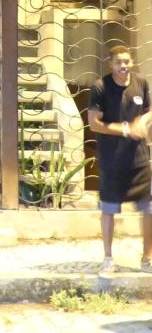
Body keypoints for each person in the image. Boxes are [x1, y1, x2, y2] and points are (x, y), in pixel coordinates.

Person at [88, 45, 152, 277]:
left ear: (131, 62)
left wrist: (142, 123)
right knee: (109, 210)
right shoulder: (100, 87)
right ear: (111, 64)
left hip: (139, 160)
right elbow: (94, 123)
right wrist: (125, 129)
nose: (123, 66)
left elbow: (149, 110)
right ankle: (107, 259)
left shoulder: (141, 83)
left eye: (126, 62)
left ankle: (147, 258)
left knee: (149, 209)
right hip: (112, 160)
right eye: (118, 62)